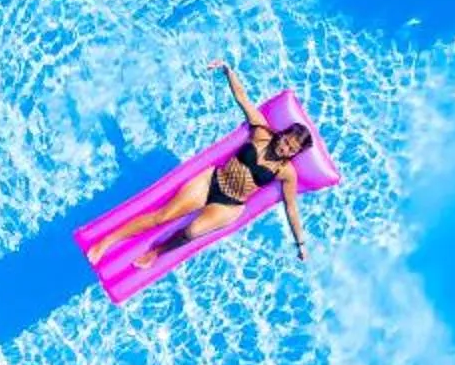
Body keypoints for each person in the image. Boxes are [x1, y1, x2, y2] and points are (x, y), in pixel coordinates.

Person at [82, 61, 314, 273]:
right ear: (282, 134)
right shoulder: (261, 132)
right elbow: (242, 99)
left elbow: (291, 207)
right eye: (286, 141)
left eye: (291, 149)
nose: (284, 148)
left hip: (230, 205)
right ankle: (107, 241)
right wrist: (228, 70)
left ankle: (157, 252)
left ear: (295, 153)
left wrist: (300, 244)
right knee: (162, 216)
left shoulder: (286, 172)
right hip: (212, 181)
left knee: (192, 232)